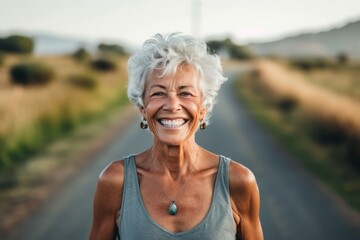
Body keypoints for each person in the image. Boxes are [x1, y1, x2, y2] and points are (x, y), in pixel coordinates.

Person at [89, 33, 263, 240]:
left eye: (186, 93)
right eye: (158, 93)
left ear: (203, 108)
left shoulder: (238, 181)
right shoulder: (115, 181)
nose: (172, 106)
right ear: (142, 108)